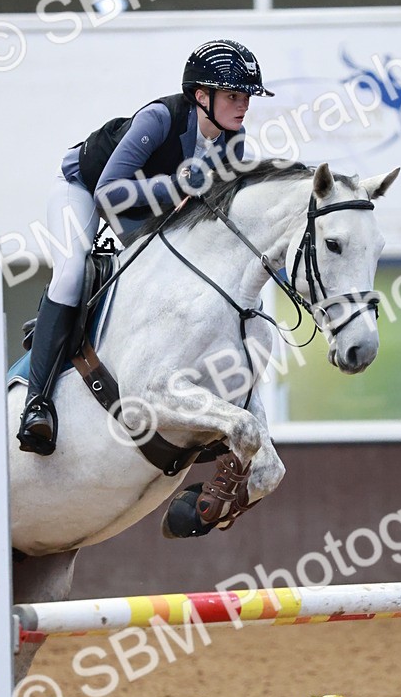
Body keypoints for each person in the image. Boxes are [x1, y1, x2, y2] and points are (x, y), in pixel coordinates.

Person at [17, 39, 274, 456]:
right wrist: (177, 185)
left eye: (247, 97)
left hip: (145, 205)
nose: (243, 105)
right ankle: (37, 404)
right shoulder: (159, 118)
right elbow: (108, 193)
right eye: (233, 95)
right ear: (201, 96)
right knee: (70, 273)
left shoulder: (234, 140)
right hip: (84, 188)